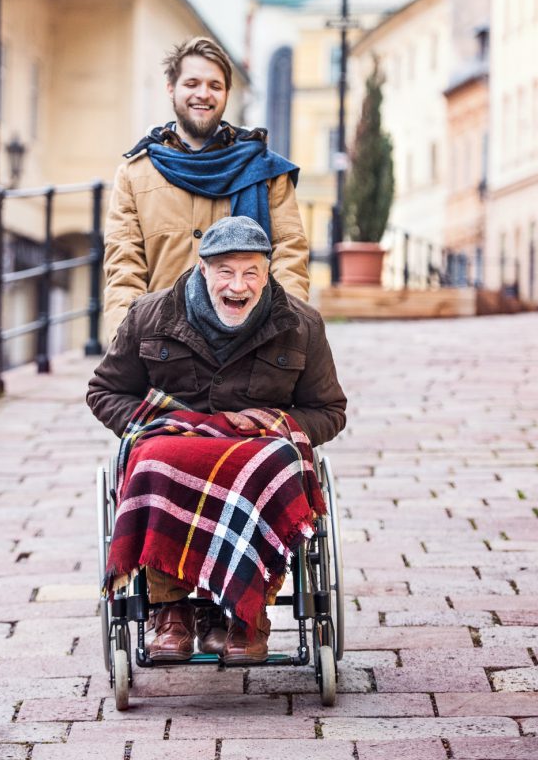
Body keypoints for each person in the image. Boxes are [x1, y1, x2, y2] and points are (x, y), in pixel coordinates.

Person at [87, 215, 346, 665]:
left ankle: (245, 614)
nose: (238, 286)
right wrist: (158, 425)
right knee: (154, 457)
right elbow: (104, 391)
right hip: (175, 444)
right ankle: (172, 611)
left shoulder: (301, 324)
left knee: (277, 460)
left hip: (252, 452)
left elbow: (329, 410)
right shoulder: (150, 315)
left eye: (251, 273)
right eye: (226, 271)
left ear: (268, 273)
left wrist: (275, 423)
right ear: (203, 268)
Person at [102, 35, 310, 342]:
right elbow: (124, 268)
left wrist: (288, 339)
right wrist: (128, 343)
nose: (203, 94)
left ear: (227, 93)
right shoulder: (135, 175)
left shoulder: (265, 172)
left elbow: (289, 259)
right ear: (171, 89)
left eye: (215, 85)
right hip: (163, 346)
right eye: (192, 83)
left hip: (249, 344)